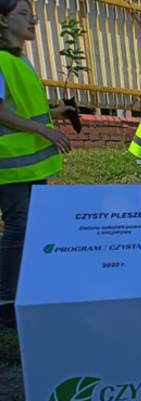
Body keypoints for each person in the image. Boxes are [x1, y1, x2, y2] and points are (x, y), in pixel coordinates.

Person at [0, 0, 77, 330]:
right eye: (23, 14)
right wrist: (43, 129)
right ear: (2, 20)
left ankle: (27, 293)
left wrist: (56, 115)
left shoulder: (20, 61)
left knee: (33, 229)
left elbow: (23, 109)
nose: (33, 20)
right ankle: (6, 302)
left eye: (33, 14)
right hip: (9, 164)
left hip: (28, 165)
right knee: (18, 228)